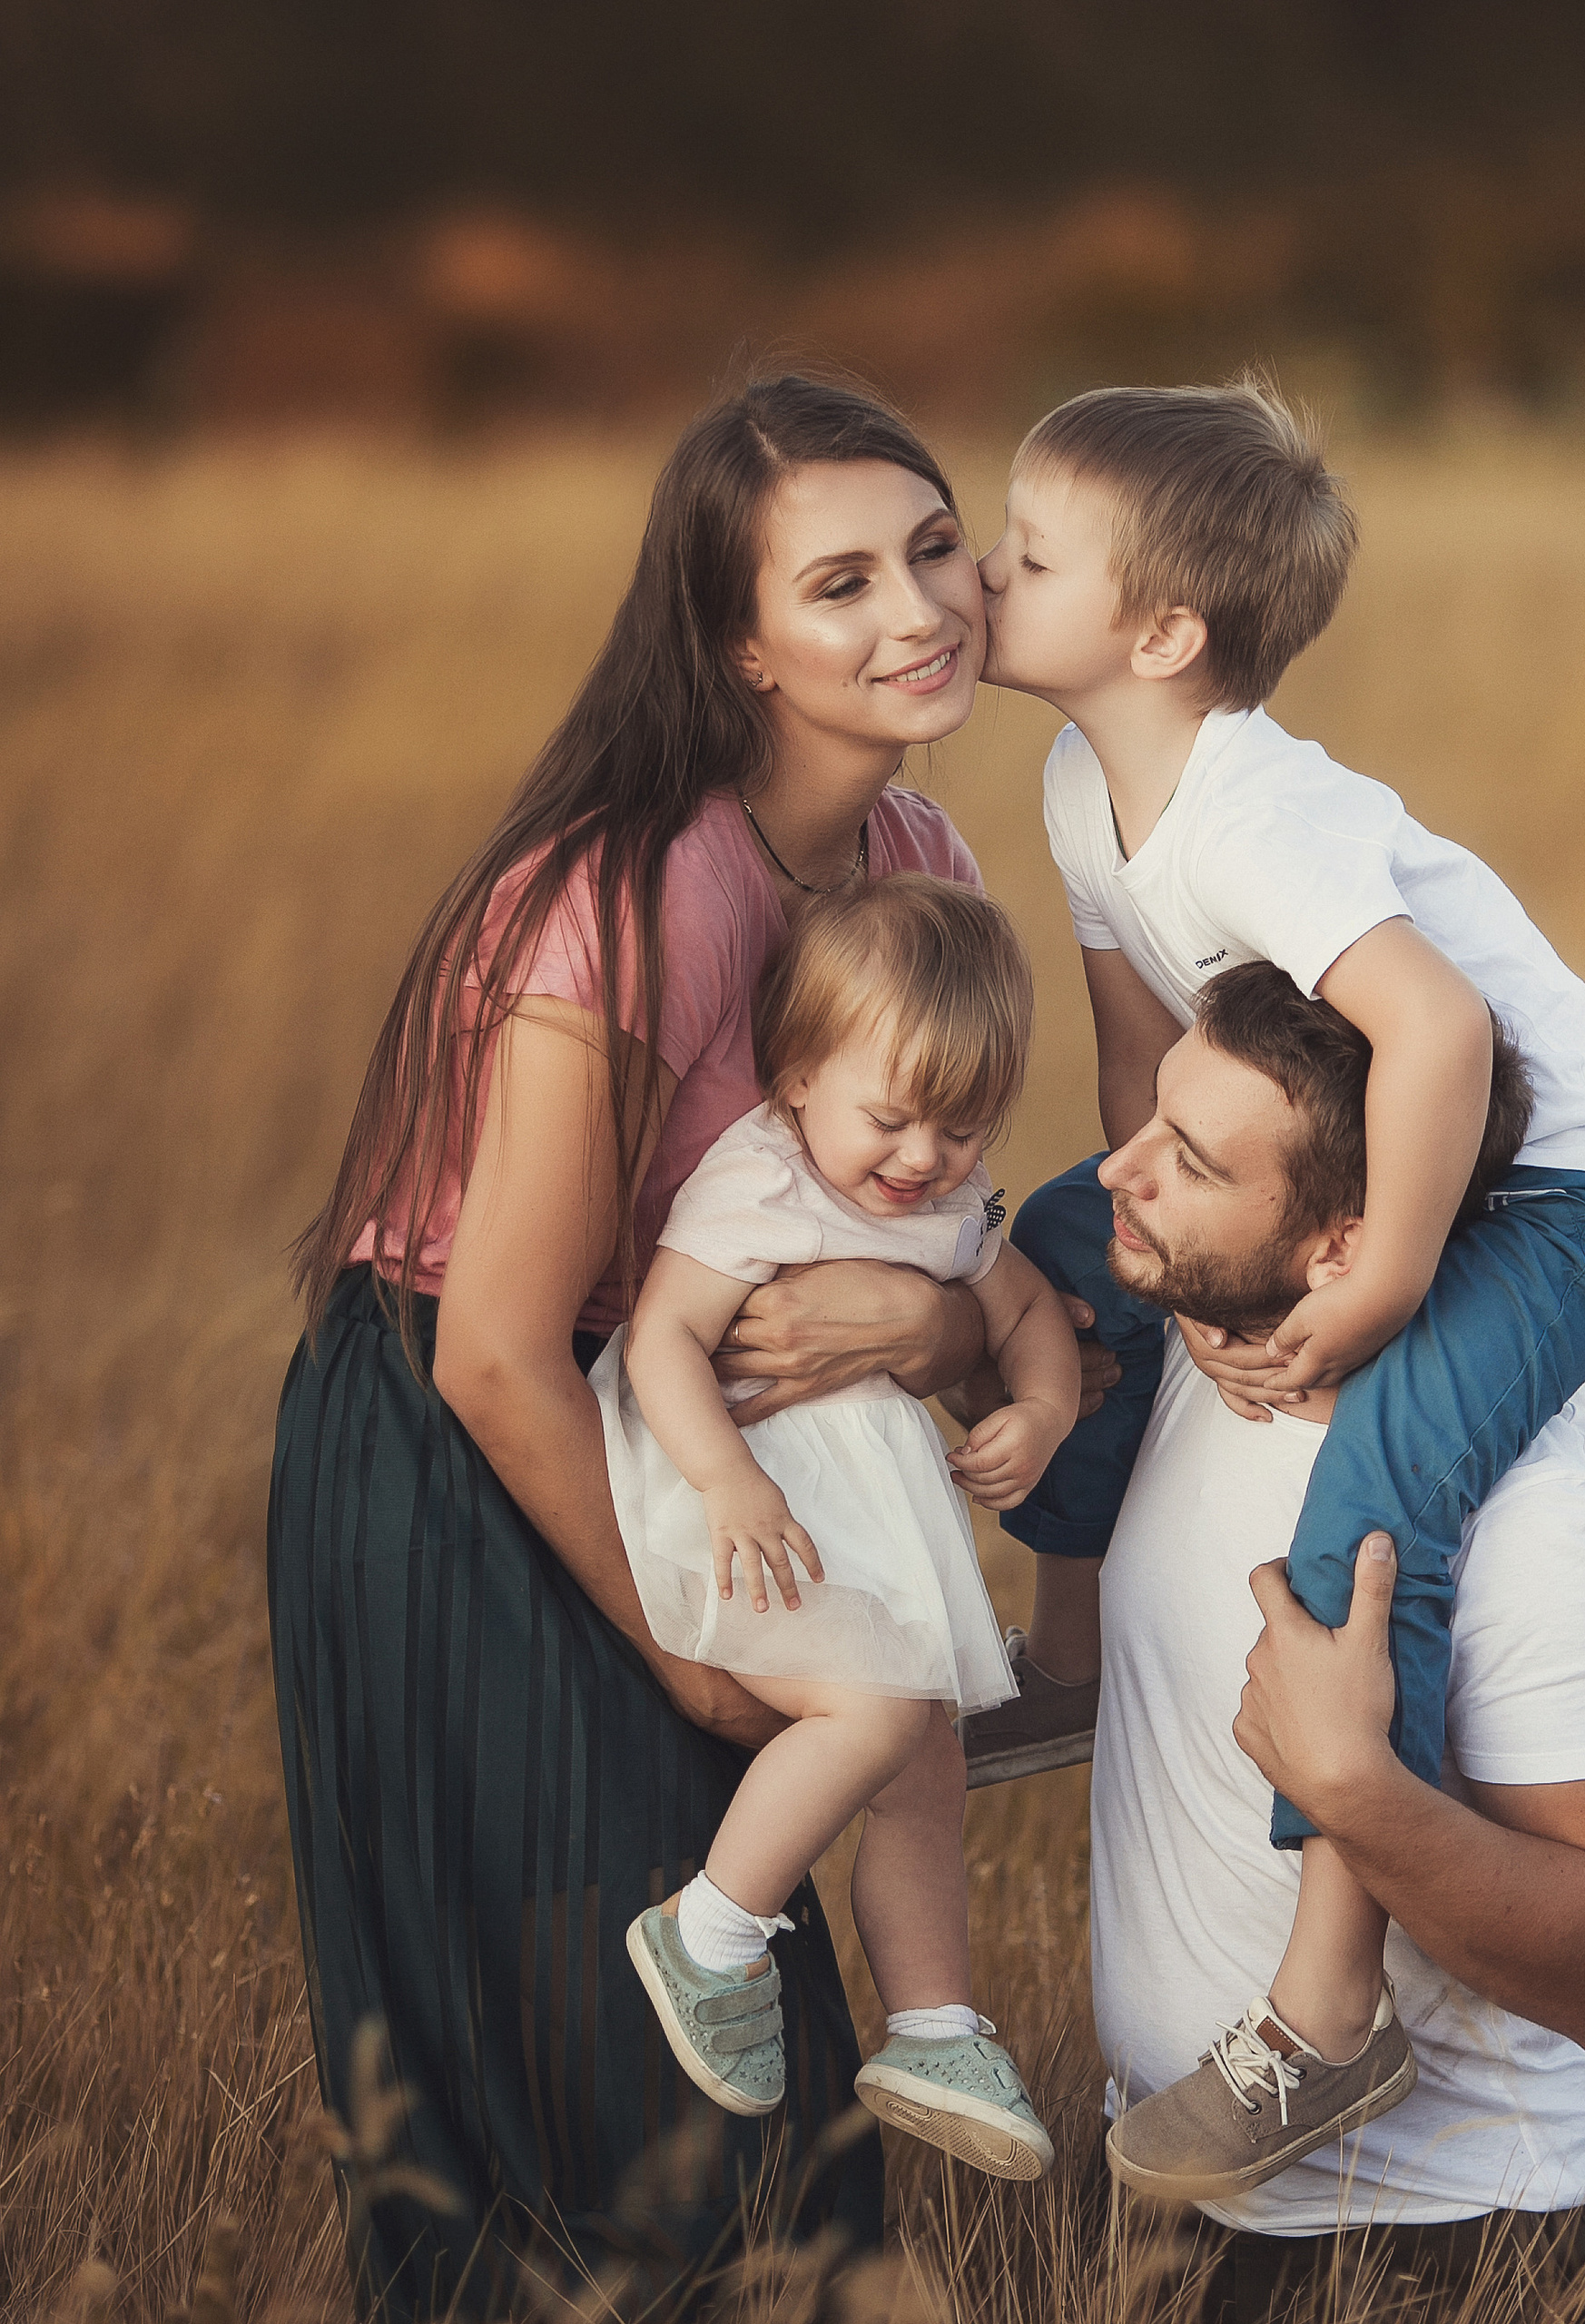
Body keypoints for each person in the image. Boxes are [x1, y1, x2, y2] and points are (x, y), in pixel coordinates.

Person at [268, 375, 1005, 2319]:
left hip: (665, 1425)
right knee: (595, 2054)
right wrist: (684, 1658)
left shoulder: (922, 848)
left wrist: (936, 1319)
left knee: (727, 2030)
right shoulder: (640, 885)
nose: (918, 608)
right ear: (737, 641)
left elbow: (914, 1229)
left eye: (933, 548)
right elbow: (496, 1345)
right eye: (839, 582)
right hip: (464, 1442)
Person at [966, 377, 1585, 2191]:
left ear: (1158, 628)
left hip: (1547, 1186)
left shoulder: (1251, 816)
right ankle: (1062, 1659)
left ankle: (1323, 2009)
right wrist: (1127, 1248)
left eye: (1024, 553)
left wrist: (1382, 1291)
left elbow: (1432, 1029)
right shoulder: (1079, 784)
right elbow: (1148, 1062)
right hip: (1409, 1163)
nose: (980, 570)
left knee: (1377, 1491)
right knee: (1038, 1256)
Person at [1083, 965, 1585, 2319]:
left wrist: (1357, 1790)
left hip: (1452, 2249)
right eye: (1158, 1116)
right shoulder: (1205, 1342)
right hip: (1176, 2204)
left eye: (1189, 1158)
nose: (1123, 1169)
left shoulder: (1547, 1526)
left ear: (1344, 1245)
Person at [598, 875, 1078, 2176]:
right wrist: (728, 1481)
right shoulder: (758, 1179)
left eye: (965, 1129)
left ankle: (933, 2024)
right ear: (798, 1073)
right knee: (867, 1716)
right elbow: (661, 1343)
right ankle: (706, 1936)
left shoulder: (944, 1204)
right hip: (748, 1500)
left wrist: (1036, 1410)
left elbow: (1027, 1314)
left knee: (923, 1749)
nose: (924, 1158)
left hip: (857, 1516)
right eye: (894, 1118)